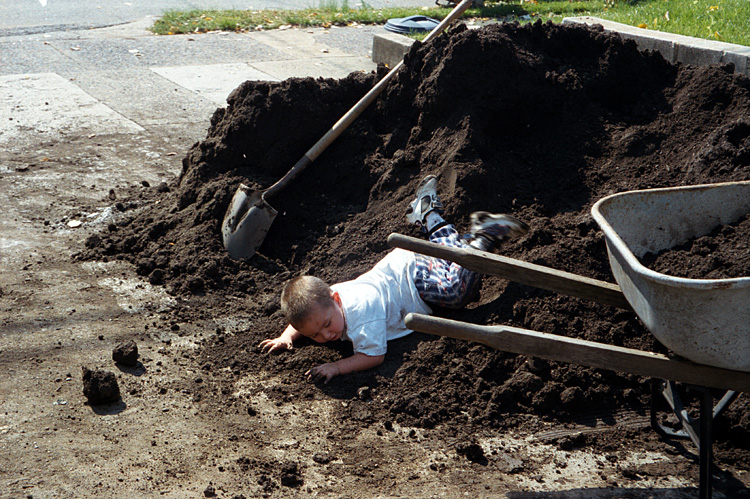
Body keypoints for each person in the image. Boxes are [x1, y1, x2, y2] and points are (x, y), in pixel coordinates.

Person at [259, 175, 529, 383]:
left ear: (336, 299)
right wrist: (287, 337)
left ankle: (481, 239)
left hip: (411, 278)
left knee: (454, 292)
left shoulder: (361, 316)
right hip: (400, 266)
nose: (326, 335)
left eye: (327, 325)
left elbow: (373, 356)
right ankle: (428, 215)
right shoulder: (322, 304)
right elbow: (304, 318)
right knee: (447, 260)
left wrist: (336, 367)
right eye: (315, 335)